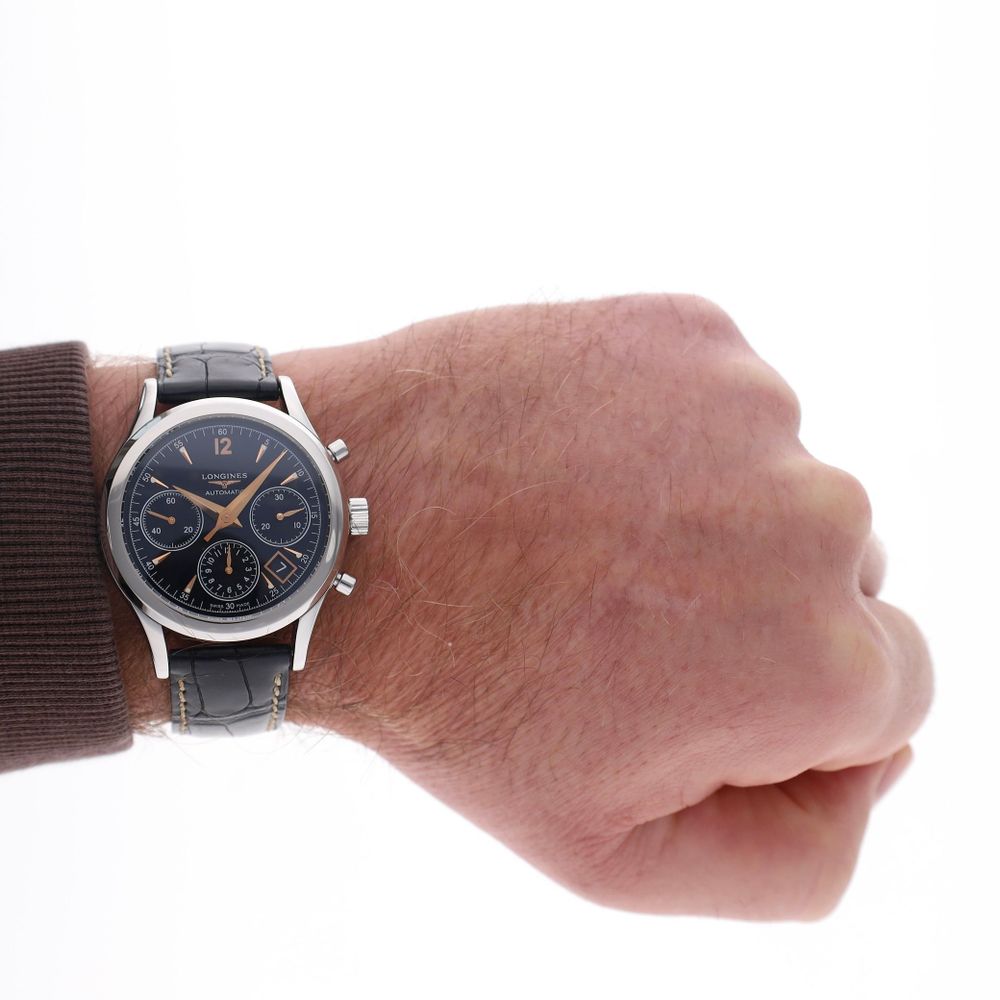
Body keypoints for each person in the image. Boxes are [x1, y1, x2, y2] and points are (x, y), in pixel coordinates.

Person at [0, 294, 933, 919]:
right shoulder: (305, 543)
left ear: (346, 513)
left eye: (246, 505)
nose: (231, 517)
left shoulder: (302, 530)